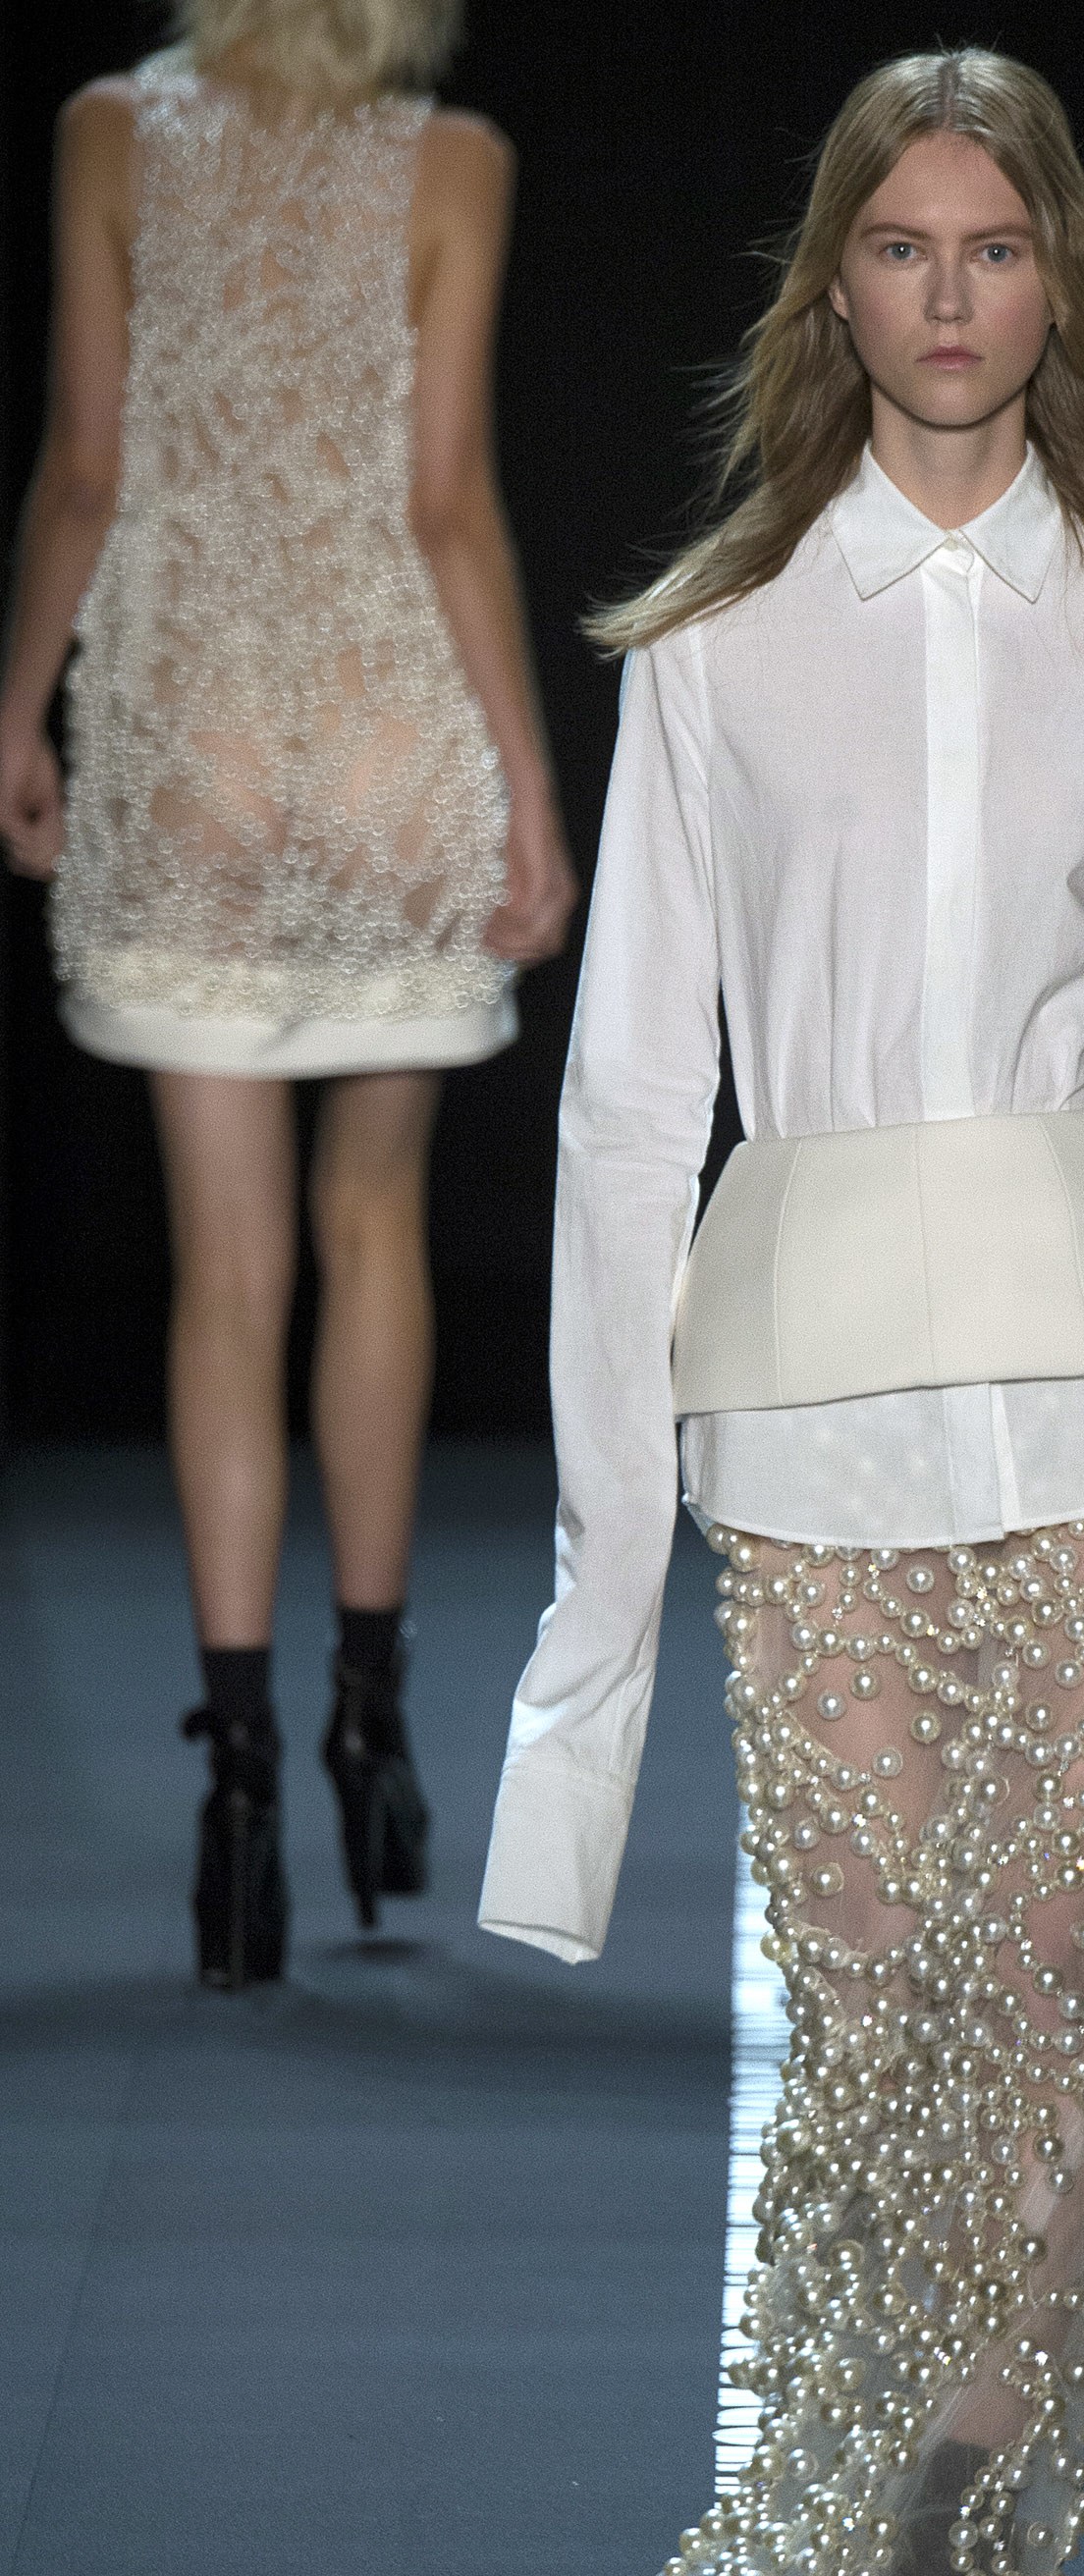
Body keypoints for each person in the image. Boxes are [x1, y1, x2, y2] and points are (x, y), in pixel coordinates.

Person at [479, 46, 1084, 2576]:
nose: (948, 295)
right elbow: (630, 1113)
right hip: (817, 1425)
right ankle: (930, 2544)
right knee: (873, 2060)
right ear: (830, 284)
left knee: (1052, 2029)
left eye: (995, 245)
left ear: (1058, 279)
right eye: (899, 245)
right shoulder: (712, 650)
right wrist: (598, 1616)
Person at [0, 0, 575, 1989]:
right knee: (373, 1230)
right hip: (388, 756)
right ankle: (368, 1725)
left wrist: (16, 704)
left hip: (196, 759)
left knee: (228, 1276)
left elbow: (86, 469)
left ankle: (236, 1792)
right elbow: (447, 502)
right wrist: (527, 788)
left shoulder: (108, 135)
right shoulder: (455, 164)